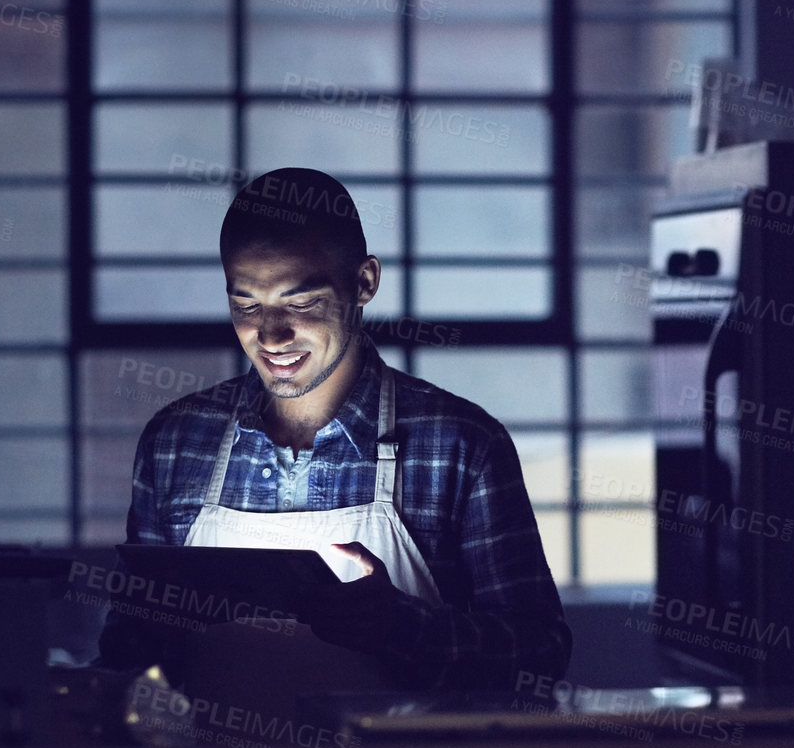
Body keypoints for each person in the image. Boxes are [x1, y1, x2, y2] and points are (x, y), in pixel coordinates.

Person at [98, 167, 570, 696]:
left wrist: (401, 627)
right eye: (246, 305)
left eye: (301, 303)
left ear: (364, 282)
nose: (271, 336)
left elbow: (541, 654)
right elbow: (125, 653)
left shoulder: (460, 446)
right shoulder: (177, 444)